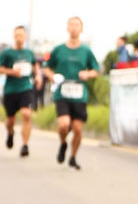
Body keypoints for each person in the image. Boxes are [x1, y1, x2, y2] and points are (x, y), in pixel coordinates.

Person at [44, 16, 101, 170]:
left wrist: (87, 74)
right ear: (67, 28)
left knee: (77, 129)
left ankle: (73, 157)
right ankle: (63, 143)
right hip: (62, 93)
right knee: (63, 125)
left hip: (79, 94)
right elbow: (46, 67)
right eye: (71, 25)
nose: (74, 28)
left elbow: (96, 70)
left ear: (81, 29)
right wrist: (52, 77)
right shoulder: (59, 49)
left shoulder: (86, 51)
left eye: (77, 25)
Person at [0, 25, 40, 157]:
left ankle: (25, 145)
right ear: (13, 36)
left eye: (21, 35)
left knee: (26, 114)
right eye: (17, 35)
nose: (19, 38)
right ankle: (10, 132)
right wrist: (12, 72)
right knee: (10, 120)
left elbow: (35, 65)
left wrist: (38, 76)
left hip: (26, 88)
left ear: (25, 37)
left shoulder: (29, 53)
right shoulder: (7, 53)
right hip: (11, 90)